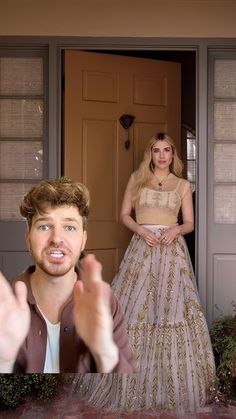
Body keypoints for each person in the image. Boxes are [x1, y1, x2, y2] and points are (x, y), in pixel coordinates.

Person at [76, 133, 215, 413]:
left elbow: (189, 223)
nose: (162, 156)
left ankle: (171, 385)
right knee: (135, 310)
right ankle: (129, 385)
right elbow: (124, 214)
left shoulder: (183, 185)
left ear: (174, 154)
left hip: (172, 252)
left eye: (166, 151)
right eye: (156, 151)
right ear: (150, 154)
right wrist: (141, 231)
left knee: (171, 310)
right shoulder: (137, 179)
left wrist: (175, 230)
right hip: (142, 249)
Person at [0, 177, 135, 374]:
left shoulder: (105, 304)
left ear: (83, 241)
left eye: (70, 227)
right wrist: (3, 363)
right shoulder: (5, 308)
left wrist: (105, 354)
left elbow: (125, 399)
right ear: (29, 239)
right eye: (44, 226)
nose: (56, 238)